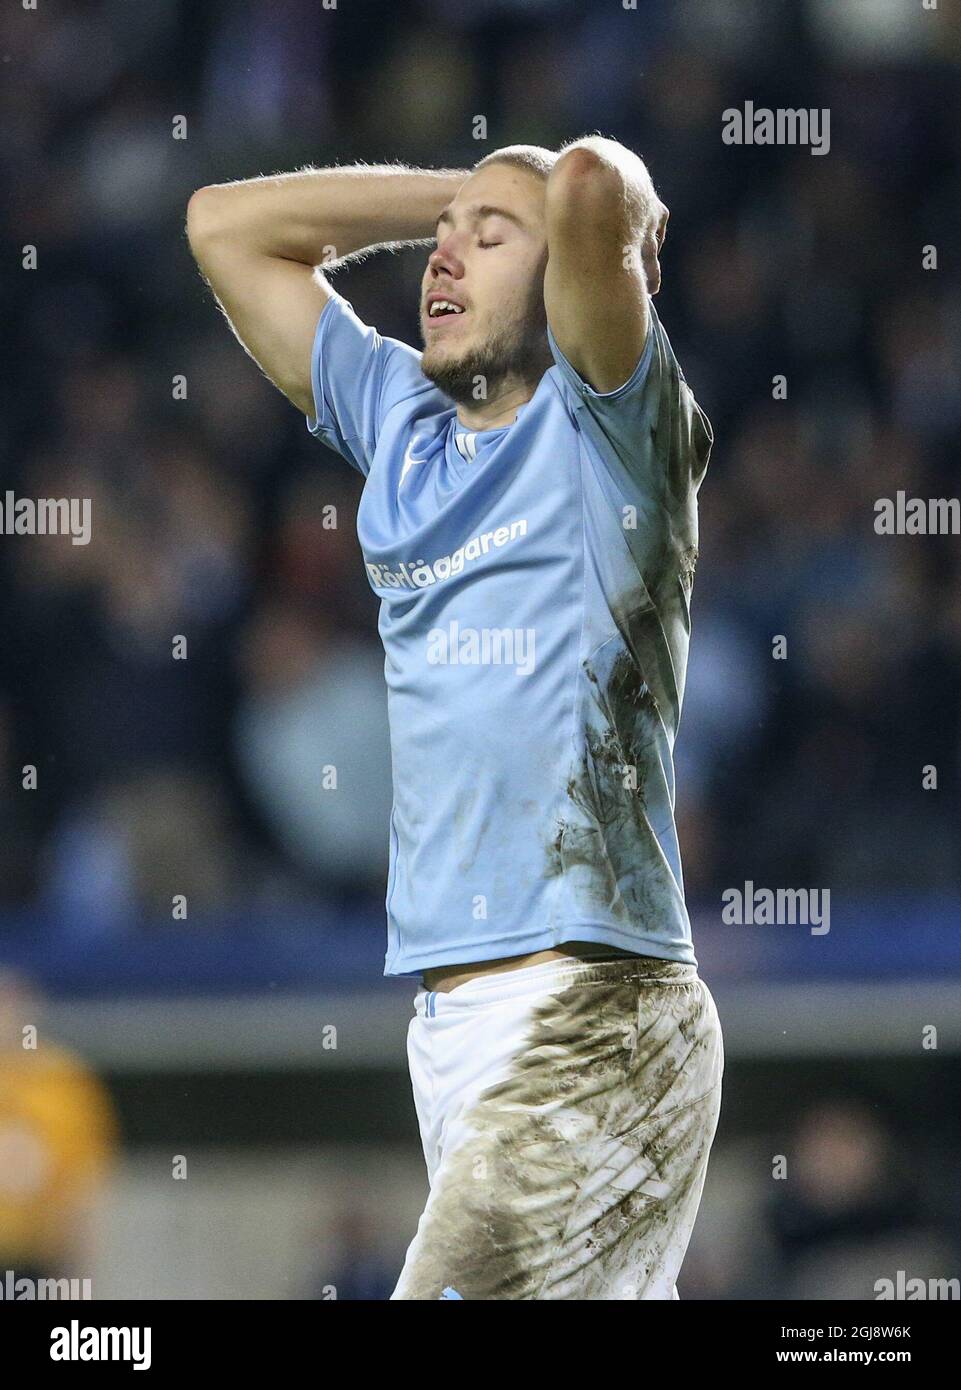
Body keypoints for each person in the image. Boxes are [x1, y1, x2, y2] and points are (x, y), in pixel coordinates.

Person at [186, 137, 721, 1300]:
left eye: (489, 241)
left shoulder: (610, 427)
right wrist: (465, 198)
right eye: (440, 241)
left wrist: (584, 214)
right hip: (456, 1032)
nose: (444, 256)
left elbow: (590, 182)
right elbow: (221, 224)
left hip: (594, 1011)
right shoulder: (402, 427)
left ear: (571, 279)